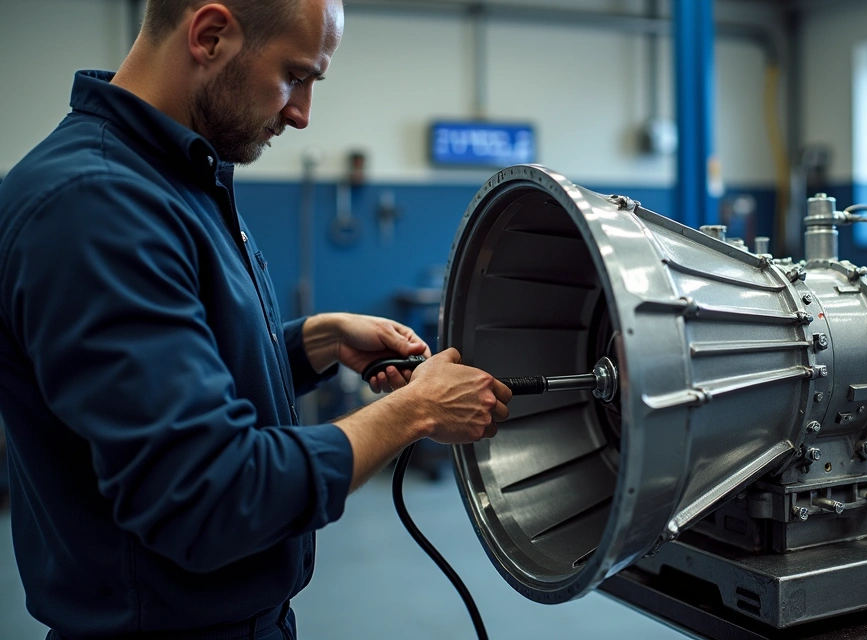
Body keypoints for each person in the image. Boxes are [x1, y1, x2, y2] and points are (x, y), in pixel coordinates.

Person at [0, 1, 512, 638]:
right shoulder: (96, 205)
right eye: (295, 77)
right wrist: (416, 412)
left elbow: (185, 369)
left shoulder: (175, 178)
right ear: (210, 35)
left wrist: (312, 342)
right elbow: (211, 498)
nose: (300, 114)